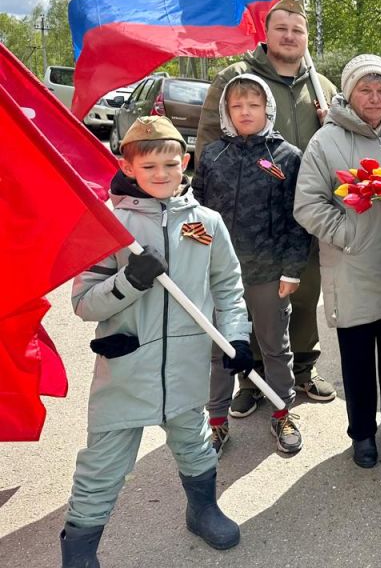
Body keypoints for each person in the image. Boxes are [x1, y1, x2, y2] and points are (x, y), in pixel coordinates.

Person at [61, 116, 253, 566]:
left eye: (171, 164)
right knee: (103, 463)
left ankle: (202, 508)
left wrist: (236, 338)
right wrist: (129, 282)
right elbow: (84, 303)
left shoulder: (207, 222)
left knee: (195, 440)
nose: (162, 175)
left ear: (185, 162)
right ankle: (80, 548)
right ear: (128, 168)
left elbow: (227, 288)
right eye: (149, 168)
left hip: (186, 364)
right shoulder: (110, 227)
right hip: (128, 365)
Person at [196, 0, 339, 415]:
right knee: (249, 293)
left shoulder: (322, 86)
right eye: (282, 28)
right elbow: (208, 142)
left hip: (305, 211)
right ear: (267, 33)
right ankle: (250, 375)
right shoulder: (236, 79)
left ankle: (302, 369)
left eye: (298, 30)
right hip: (247, 215)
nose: (290, 36)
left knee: (302, 288)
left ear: (306, 37)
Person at [294, 54, 381, 469]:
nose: (375, 97)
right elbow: (308, 205)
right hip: (352, 266)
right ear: (349, 94)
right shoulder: (327, 141)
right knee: (356, 359)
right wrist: (350, 233)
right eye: (365, 90)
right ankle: (362, 435)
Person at [193, 74, 309, 457]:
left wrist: (291, 270)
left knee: (274, 346)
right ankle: (216, 422)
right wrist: (194, 259)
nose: (245, 112)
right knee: (218, 350)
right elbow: (194, 211)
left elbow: (298, 219)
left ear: (267, 110)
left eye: (253, 106)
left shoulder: (286, 157)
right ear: (226, 110)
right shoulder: (212, 155)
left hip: (269, 274)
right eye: (237, 105)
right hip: (220, 276)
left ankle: (282, 411)